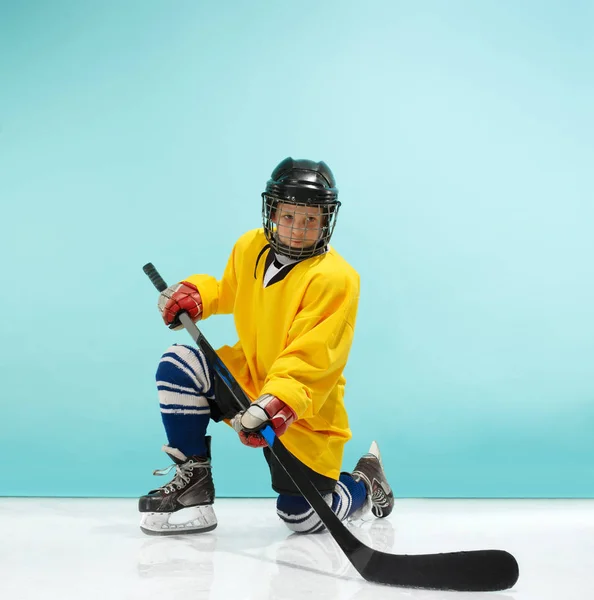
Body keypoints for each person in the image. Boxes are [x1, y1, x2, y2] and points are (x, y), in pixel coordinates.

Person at [139, 157, 394, 535]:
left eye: (310, 219)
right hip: (248, 376)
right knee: (179, 364)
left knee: (301, 518)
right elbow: (229, 289)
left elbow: (313, 357)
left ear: (326, 220)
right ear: (272, 212)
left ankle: (363, 481)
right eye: (288, 216)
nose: (297, 229)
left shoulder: (336, 278)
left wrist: (278, 404)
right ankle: (194, 484)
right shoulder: (251, 246)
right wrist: (197, 296)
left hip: (301, 406)